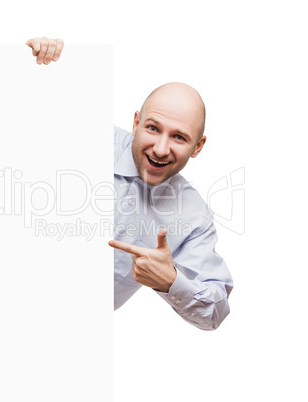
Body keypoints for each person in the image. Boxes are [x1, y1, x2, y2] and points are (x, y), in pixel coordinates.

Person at [26, 37, 234, 331]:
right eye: (152, 128)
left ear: (198, 147)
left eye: (179, 137)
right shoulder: (85, 135)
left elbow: (215, 312)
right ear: (135, 122)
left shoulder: (193, 218)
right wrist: (35, 59)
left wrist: (172, 282)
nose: (161, 149)